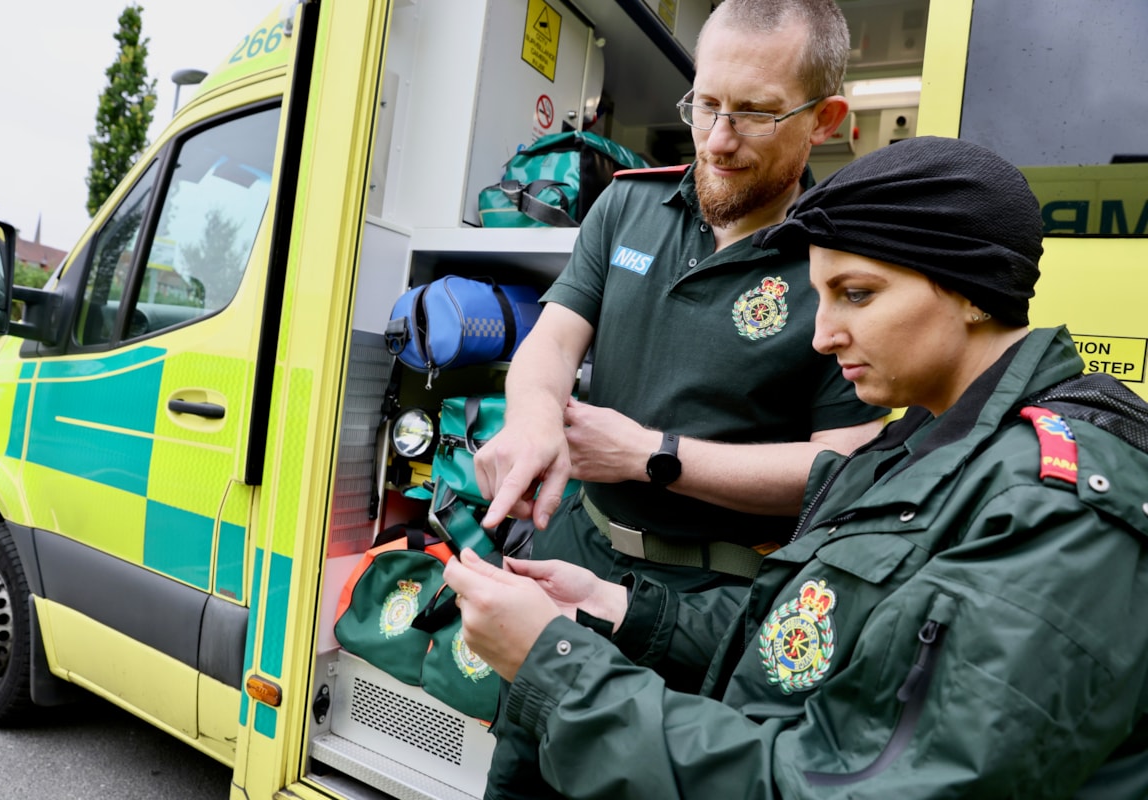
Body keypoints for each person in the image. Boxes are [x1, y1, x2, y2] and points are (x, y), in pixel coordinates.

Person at [445, 135, 1148, 799]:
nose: (821, 335)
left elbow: (832, 782)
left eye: (857, 293)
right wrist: (618, 610)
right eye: (821, 296)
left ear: (971, 289)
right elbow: (824, 637)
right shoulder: (933, 436)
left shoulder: (1057, 514)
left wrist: (553, 664)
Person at [477, 0, 884, 590]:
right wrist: (532, 417)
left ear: (824, 119)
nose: (717, 142)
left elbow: (842, 467)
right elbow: (556, 340)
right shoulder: (626, 204)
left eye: (755, 113)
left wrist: (652, 456)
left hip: (711, 594)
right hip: (569, 545)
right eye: (706, 105)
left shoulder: (846, 267)